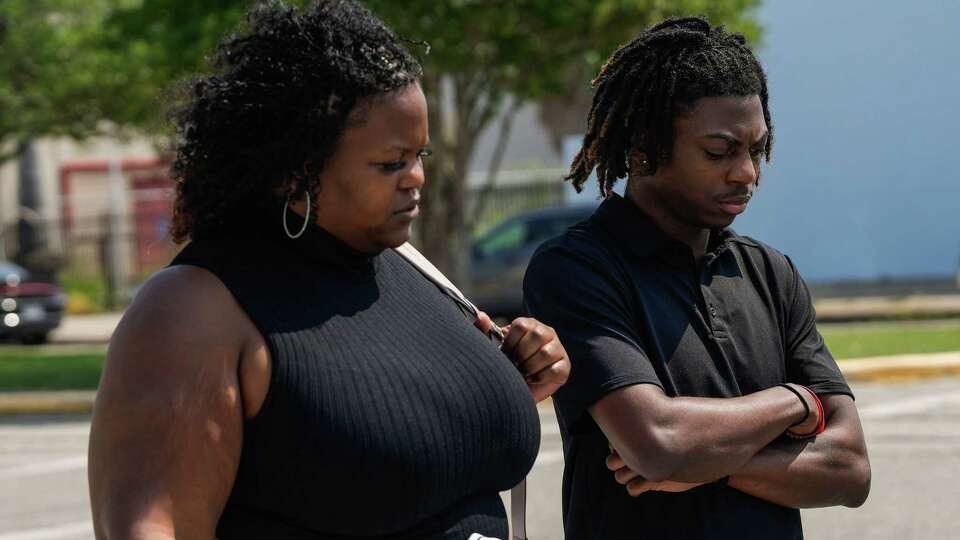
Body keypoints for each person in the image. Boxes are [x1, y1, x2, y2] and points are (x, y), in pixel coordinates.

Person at [88, 1, 569, 538]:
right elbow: (154, 527)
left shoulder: (407, 267)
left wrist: (517, 365)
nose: (416, 180)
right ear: (297, 171)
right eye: (391, 163)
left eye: (420, 157)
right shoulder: (192, 310)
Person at [523, 17, 870, 540]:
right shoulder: (577, 269)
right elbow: (657, 443)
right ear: (643, 149)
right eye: (719, 151)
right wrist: (798, 402)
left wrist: (706, 463)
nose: (747, 172)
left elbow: (849, 469)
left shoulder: (771, 273)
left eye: (756, 149)